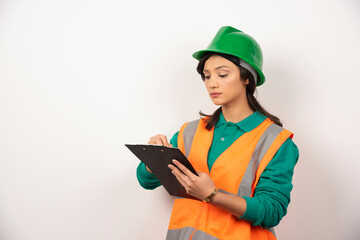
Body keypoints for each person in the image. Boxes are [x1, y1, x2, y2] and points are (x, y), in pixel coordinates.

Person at [136, 26, 299, 240]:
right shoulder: (190, 131)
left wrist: (213, 195)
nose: (212, 83)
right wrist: (152, 159)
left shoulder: (276, 142)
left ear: (247, 77)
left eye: (222, 74)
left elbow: (272, 211)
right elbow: (146, 181)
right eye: (206, 76)